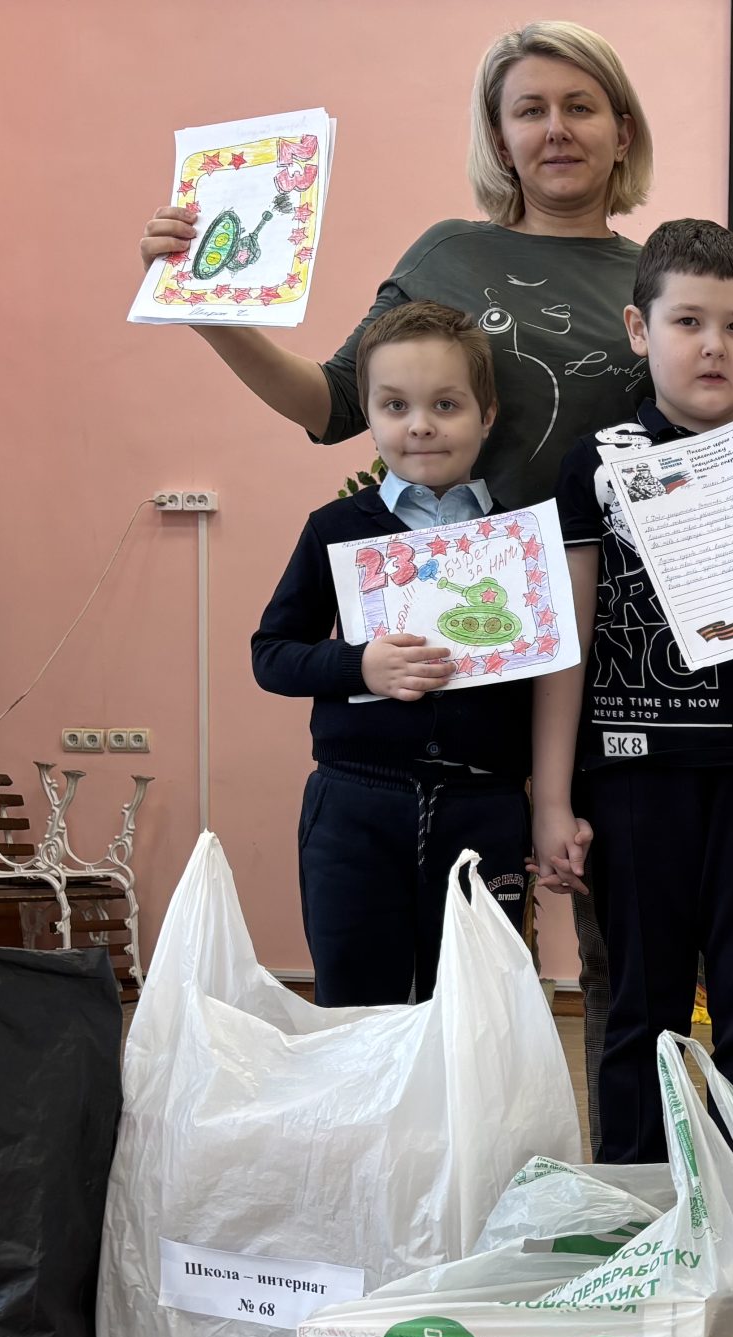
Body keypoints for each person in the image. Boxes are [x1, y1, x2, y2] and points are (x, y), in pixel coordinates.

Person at [138, 22, 650, 1129]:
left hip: (623, 656)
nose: (555, 128)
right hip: (467, 685)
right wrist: (207, 307)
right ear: (499, 137)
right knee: (413, 992)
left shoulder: (653, 279)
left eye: (579, 105)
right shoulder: (448, 256)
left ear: (622, 128)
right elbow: (331, 402)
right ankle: (402, 1180)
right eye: (529, 108)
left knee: (621, 952)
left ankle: (622, 1176)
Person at [543, 220, 733, 1162]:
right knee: (641, 1007)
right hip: (634, 773)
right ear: (639, 330)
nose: (713, 345)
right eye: (688, 321)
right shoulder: (594, 464)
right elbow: (568, 644)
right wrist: (553, 798)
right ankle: (640, 1207)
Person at [248, 301, 541, 1005]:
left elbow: (552, 684)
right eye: (395, 405)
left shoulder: (522, 538)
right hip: (354, 803)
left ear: (487, 415)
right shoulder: (335, 529)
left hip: (486, 807)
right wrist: (359, 666)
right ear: (371, 417)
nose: (420, 425)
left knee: (476, 1017)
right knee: (355, 1011)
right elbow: (272, 654)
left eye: (446, 404)